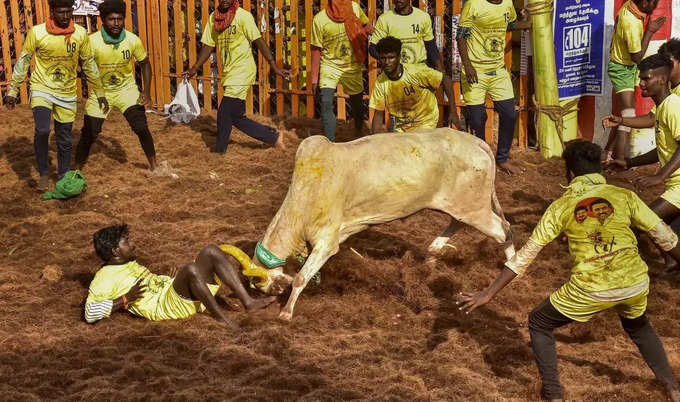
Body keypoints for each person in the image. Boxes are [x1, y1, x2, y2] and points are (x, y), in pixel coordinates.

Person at [458, 140, 680, 402]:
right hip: (635, 283)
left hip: (590, 288)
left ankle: (554, 396)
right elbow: (665, 236)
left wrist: (489, 292)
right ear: (601, 169)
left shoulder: (561, 206)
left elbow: (526, 255)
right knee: (639, 327)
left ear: (570, 173)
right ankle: (673, 389)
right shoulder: (624, 196)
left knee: (539, 322)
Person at [84, 224, 277, 328]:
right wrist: (125, 299)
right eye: (127, 241)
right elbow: (89, 313)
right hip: (165, 308)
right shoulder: (103, 278)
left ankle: (248, 302)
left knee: (211, 250)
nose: (133, 244)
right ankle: (222, 319)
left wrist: (168, 281)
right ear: (115, 250)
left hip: (172, 293)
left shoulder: (126, 261)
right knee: (191, 269)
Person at [5, 0, 108, 191]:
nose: (66, 16)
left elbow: (89, 64)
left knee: (65, 138)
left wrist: (100, 92)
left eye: (69, 11)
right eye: (61, 12)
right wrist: (12, 90)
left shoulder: (80, 34)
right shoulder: (37, 32)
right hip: (42, 88)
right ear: (52, 12)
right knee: (43, 130)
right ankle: (44, 173)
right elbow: (24, 61)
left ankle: (62, 176)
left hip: (67, 92)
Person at [603, 54, 680, 272]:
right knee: (663, 231)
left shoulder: (673, 106)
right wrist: (628, 162)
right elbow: (664, 150)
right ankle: (672, 263)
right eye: (640, 79)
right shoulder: (663, 107)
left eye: (646, 79)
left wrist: (659, 176)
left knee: (644, 220)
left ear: (662, 80)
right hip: (674, 185)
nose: (641, 84)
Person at [183, 0, 289, 153]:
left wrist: (273, 66)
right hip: (230, 72)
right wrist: (195, 67)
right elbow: (209, 44)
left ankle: (219, 152)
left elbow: (258, 41)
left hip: (243, 70)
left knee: (224, 113)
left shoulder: (243, 16)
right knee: (236, 117)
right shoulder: (214, 18)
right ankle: (273, 136)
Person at [75, 0, 157, 173]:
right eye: (112, 19)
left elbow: (145, 63)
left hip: (126, 90)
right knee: (89, 133)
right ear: (103, 20)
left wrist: (147, 91)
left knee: (141, 127)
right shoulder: (92, 42)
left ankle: (155, 168)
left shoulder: (132, 40)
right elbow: (80, 64)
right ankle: (75, 173)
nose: (116, 23)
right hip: (101, 93)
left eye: (120, 19)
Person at [456, 0, 531, 175]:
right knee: (477, 119)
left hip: (498, 71)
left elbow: (509, 25)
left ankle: (502, 158)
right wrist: (467, 66)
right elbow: (461, 36)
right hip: (475, 70)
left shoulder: (507, 4)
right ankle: (481, 158)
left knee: (509, 113)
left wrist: (528, 24)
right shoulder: (473, 4)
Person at [604, 0, 665, 164]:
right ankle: (619, 160)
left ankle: (607, 153)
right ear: (644, 2)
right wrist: (650, 32)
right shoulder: (630, 21)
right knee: (628, 115)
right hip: (622, 69)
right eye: (653, 2)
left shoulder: (632, 6)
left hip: (626, 67)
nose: (656, 4)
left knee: (622, 114)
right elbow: (637, 57)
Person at [369, 36, 461, 133]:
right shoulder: (380, 83)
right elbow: (378, 116)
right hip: (402, 129)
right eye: (383, 58)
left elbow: (445, 80)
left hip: (426, 123)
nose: (387, 62)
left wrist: (453, 111)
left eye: (391, 58)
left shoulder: (416, 72)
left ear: (399, 57)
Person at [311, 0, 371, 141]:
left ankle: (358, 131)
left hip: (352, 65)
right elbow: (316, 49)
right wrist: (314, 78)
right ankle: (329, 142)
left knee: (357, 105)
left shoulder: (355, 8)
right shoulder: (319, 19)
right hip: (330, 65)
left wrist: (378, 38)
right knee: (326, 103)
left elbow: (366, 26)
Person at [368, 0, 442, 71]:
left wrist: (440, 69)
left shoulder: (423, 17)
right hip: (396, 72)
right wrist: (389, 61)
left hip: (419, 69)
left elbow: (430, 45)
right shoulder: (384, 19)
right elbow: (373, 48)